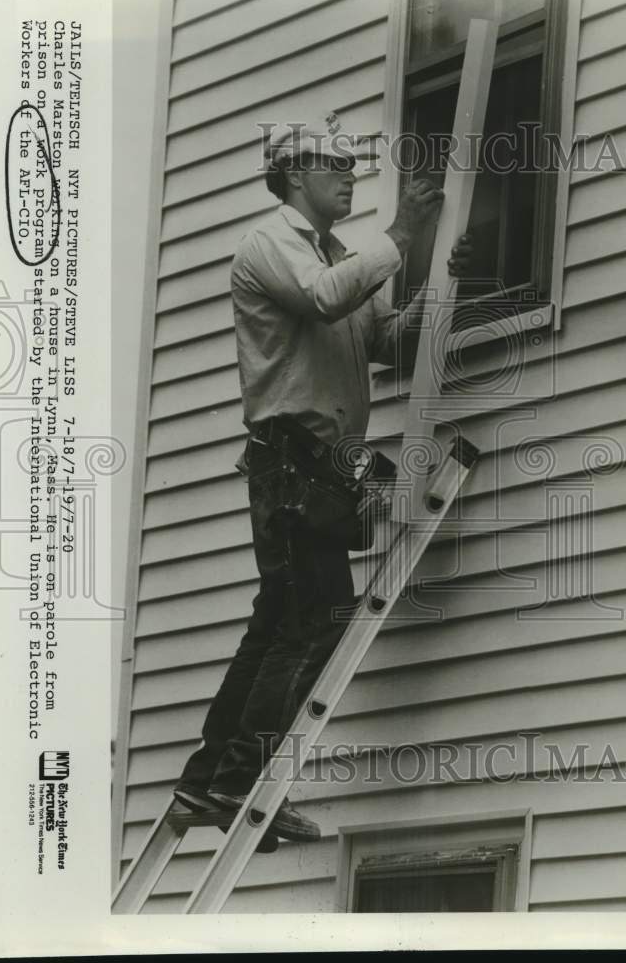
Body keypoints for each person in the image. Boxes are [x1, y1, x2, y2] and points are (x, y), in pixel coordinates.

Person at [173, 112, 472, 851]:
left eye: (351, 166)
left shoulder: (337, 252)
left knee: (282, 622)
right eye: (335, 166)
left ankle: (208, 779)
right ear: (295, 172)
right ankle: (240, 783)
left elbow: (380, 339)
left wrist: (442, 283)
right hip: (292, 460)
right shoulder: (271, 243)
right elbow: (324, 298)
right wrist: (400, 238)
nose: (349, 176)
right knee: (312, 622)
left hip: (322, 466)